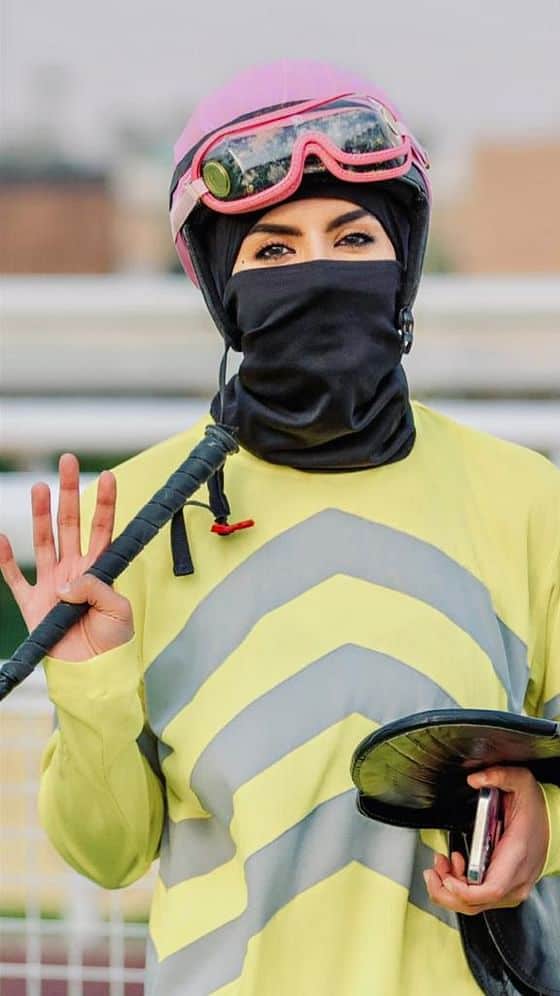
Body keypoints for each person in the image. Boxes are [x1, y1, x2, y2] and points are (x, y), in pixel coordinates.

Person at [1, 59, 559, 996]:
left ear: (403, 265)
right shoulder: (133, 519)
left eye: (353, 236)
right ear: (225, 290)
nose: (319, 272)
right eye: (273, 251)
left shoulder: (526, 498)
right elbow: (105, 853)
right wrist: (89, 684)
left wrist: (546, 825)